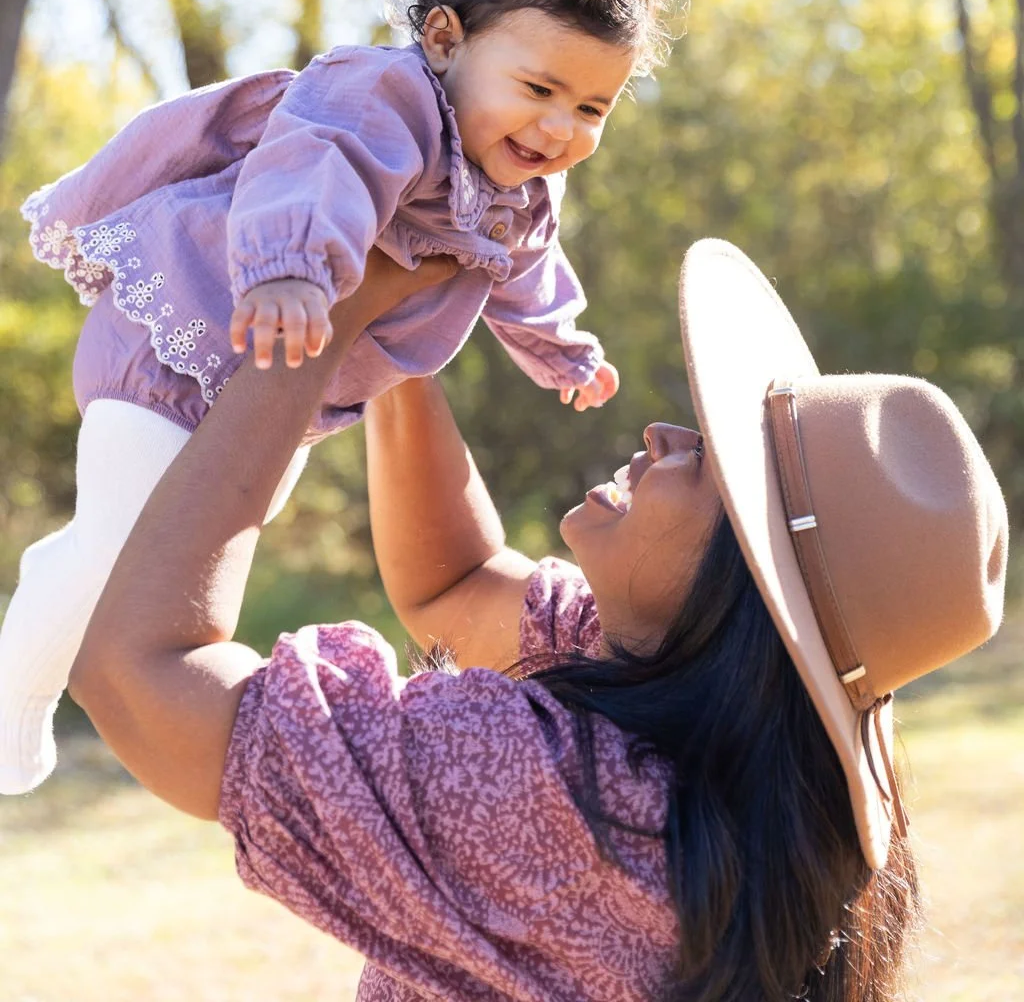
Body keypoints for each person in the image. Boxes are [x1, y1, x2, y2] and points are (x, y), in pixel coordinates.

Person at [69, 238, 1007, 1002]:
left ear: (748, 593)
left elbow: (139, 671)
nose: (663, 436)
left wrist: (317, 329)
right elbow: (454, 583)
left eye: (715, 461)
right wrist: (398, 343)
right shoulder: (736, 773)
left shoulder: (556, 796)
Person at [0, 0, 678, 796]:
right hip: (183, 337)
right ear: (444, 40)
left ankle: (71, 564)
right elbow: (316, 165)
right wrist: (289, 267)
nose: (560, 128)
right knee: (124, 556)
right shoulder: (385, 96)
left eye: (593, 109)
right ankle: (14, 702)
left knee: (198, 547)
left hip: (278, 392)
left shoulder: (518, 187)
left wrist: (560, 348)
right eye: (539, 89)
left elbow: (524, 272)